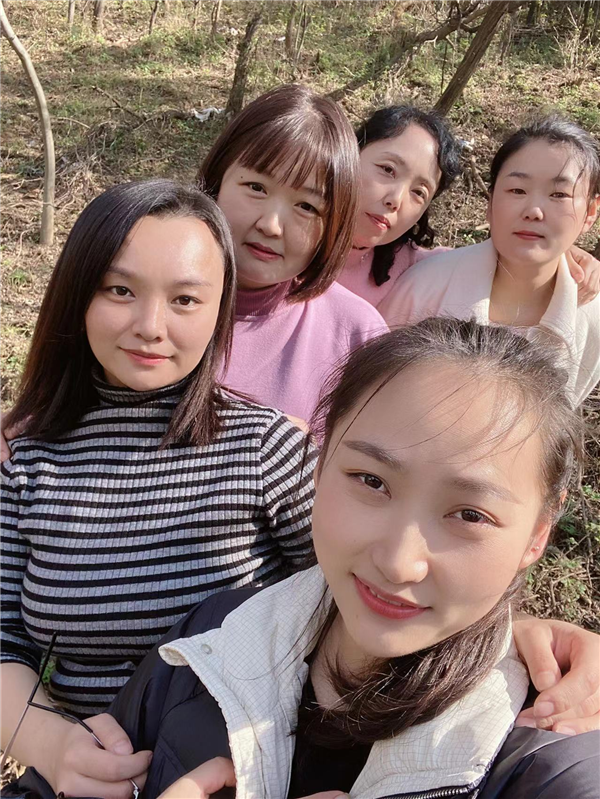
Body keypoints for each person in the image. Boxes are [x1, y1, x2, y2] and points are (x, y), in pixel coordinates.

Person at [107, 318, 599, 798]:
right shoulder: (217, 635)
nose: (398, 563)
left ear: (537, 535)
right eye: (372, 481)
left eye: (470, 514)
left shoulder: (553, 759)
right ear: (320, 466)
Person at [0, 180, 317, 798]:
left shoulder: (267, 449)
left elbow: (353, 605)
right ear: (76, 294)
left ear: (220, 309)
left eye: (185, 300)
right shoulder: (25, 457)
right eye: (120, 290)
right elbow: (2, 641)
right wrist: (55, 747)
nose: (150, 326)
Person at [380, 116, 600, 405]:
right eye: (517, 190)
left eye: (559, 194)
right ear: (490, 203)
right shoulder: (424, 288)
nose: (534, 210)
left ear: (591, 213)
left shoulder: (592, 319)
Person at [200, 84, 388, 421]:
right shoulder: (140, 291)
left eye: (306, 206)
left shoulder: (356, 335)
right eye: (256, 188)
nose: (271, 225)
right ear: (215, 182)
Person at [337, 105, 600, 314]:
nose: (395, 200)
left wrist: (563, 251)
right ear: (348, 153)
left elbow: (493, 259)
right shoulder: (306, 236)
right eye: (387, 170)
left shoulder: (408, 267)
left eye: (419, 192)